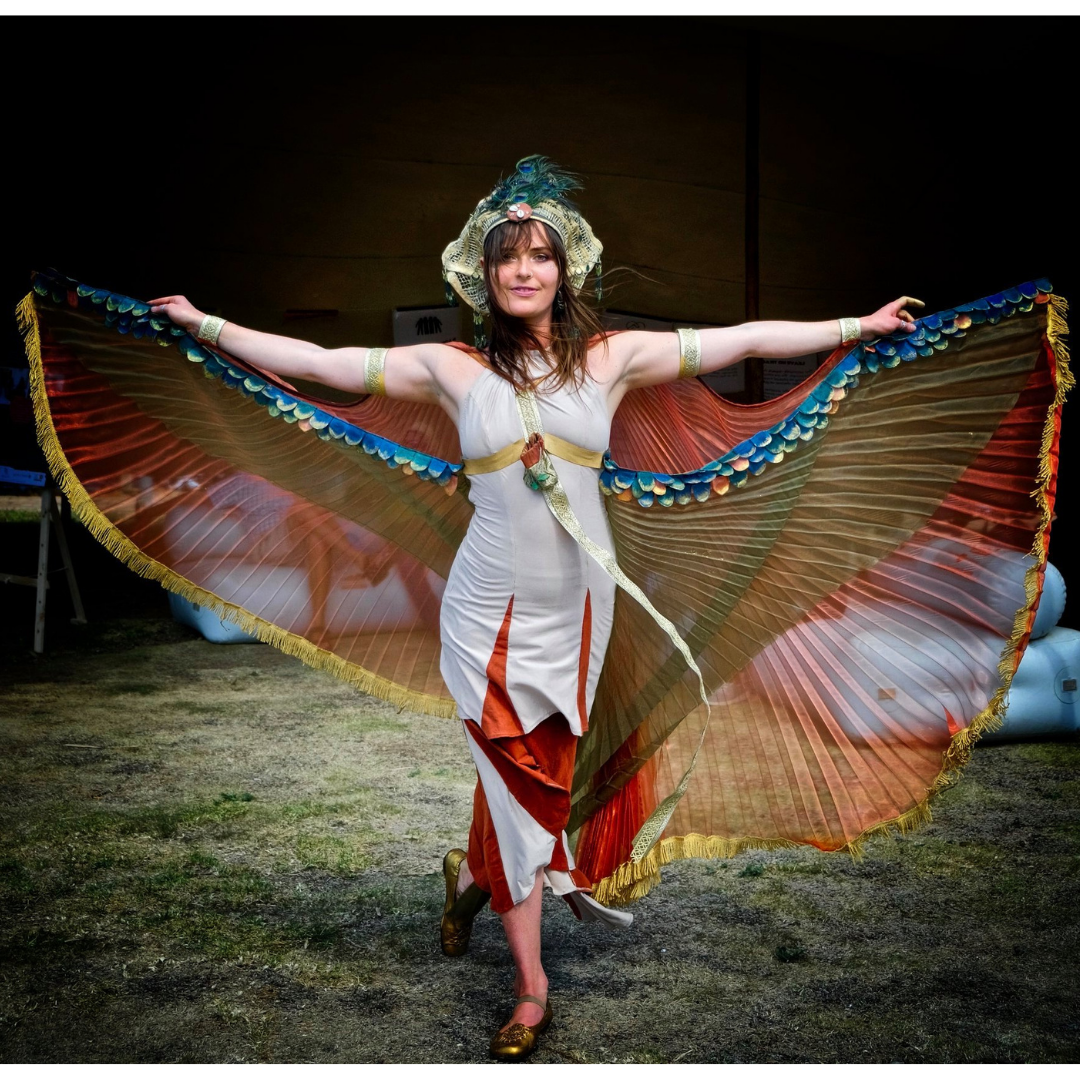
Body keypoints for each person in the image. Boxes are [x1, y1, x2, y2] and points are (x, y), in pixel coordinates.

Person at [22, 158, 1065, 1062]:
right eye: (508, 257)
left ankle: (471, 882)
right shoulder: (449, 368)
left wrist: (856, 326)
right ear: (482, 275)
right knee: (518, 784)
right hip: (482, 609)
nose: (524, 270)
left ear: (566, 272)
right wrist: (204, 324)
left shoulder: (612, 361)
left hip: (581, 613)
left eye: (541, 256)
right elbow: (322, 365)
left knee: (542, 784)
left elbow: (740, 336)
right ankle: (531, 988)